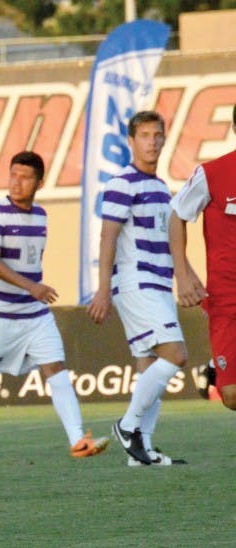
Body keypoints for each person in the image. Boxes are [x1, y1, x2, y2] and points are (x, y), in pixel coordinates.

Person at [0, 152, 109, 462]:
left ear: (40, 182)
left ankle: (78, 440)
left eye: (25, 177)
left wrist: (33, 292)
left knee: (56, 368)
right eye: (13, 174)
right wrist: (32, 287)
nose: (17, 182)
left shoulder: (41, 216)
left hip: (34, 313)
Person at [87, 111, 189, 465]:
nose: (152, 141)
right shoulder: (122, 183)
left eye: (157, 135)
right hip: (136, 281)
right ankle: (128, 425)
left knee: (148, 367)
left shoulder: (161, 188)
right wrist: (102, 289)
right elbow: (107, 236)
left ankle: (140, 450)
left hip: (159, 284)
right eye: (144, 135)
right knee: (175, 354)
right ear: (131, 142)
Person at [168, 103, 236, 411]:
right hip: (227, 296)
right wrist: (182, 274)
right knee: (232, 396)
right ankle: (216, 367)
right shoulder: (213, 173)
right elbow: (176, 215)